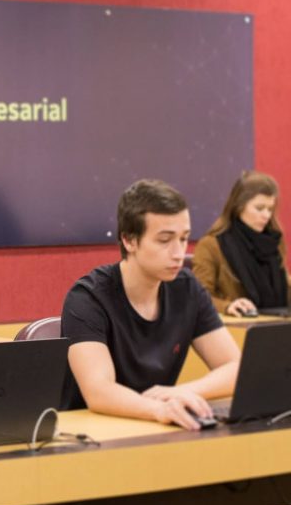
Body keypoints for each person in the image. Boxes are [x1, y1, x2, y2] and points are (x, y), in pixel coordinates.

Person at [61, 179, 241, 431]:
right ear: (129, 240)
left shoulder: (188, 288)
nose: (179, 252)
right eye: (164, 240)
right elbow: (99, 391)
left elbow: (235, 367)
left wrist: (178, 393)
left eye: (184, 238)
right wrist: (158, 408)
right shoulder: (87, 298)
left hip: (157, 429)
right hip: (93, 437)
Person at [192, 171, 290, 317]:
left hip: (279, 326)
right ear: (239, 206)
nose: (266, 215)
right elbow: (197, 298)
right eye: (259, 208)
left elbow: (282, 289)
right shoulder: (211, 245)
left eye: (270, 209)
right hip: (238, 330)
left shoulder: (273, 242)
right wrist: (227, 306)